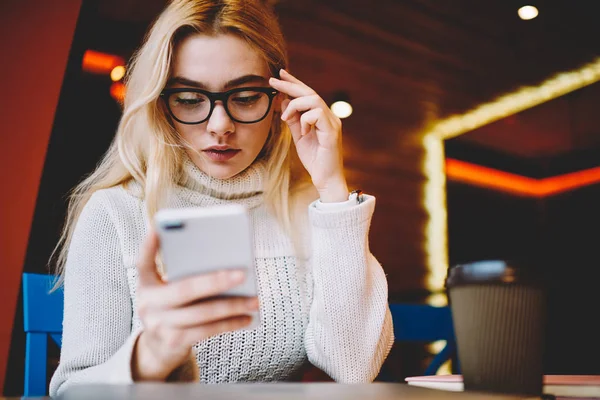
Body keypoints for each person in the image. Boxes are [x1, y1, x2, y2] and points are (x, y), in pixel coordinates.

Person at [49, 0, 393, 396]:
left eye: (245, 97)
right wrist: (150, 355)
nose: (220, 126)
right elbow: (72, 391)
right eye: (190, 99)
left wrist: (332, 189)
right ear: (160, 104)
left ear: (279, 100)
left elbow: (355, 367)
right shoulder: (116, 213)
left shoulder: (306, 210)